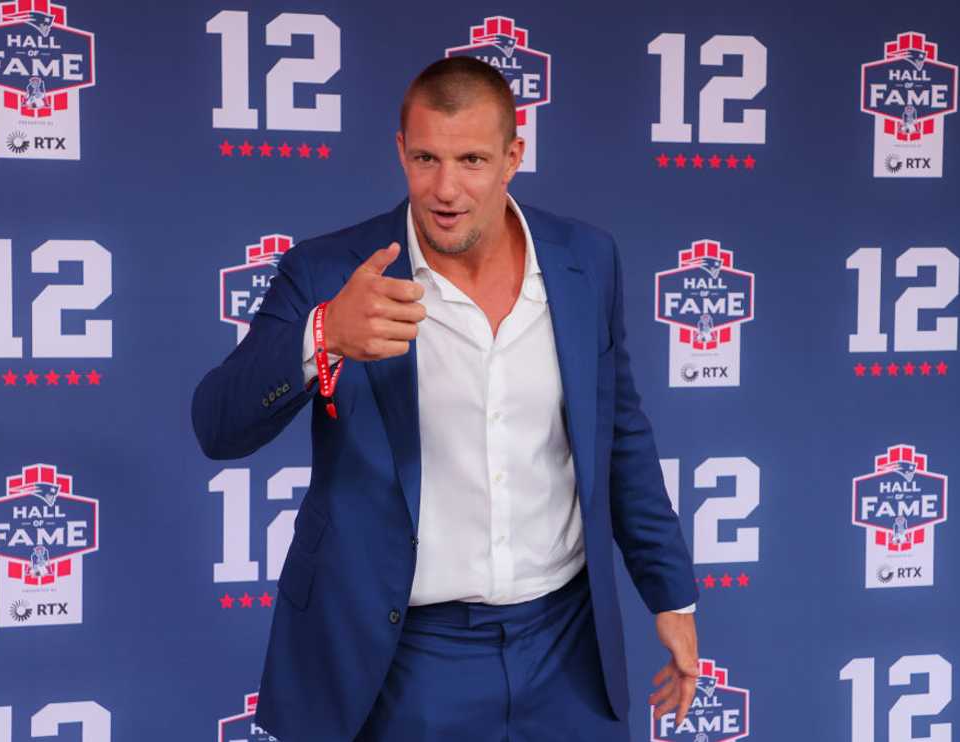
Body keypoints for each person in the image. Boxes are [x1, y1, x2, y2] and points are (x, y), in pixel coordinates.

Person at [192, 57, 699, 741]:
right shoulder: (330, 271)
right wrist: (325, 335)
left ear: (513, 157)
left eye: (472, 160)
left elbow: (623, 436)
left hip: (567, 648)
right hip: (406, 658)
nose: (446, 188)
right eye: (426, 158)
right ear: (400, 151)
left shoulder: (586, 261)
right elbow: (218, 424)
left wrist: (670, 595)